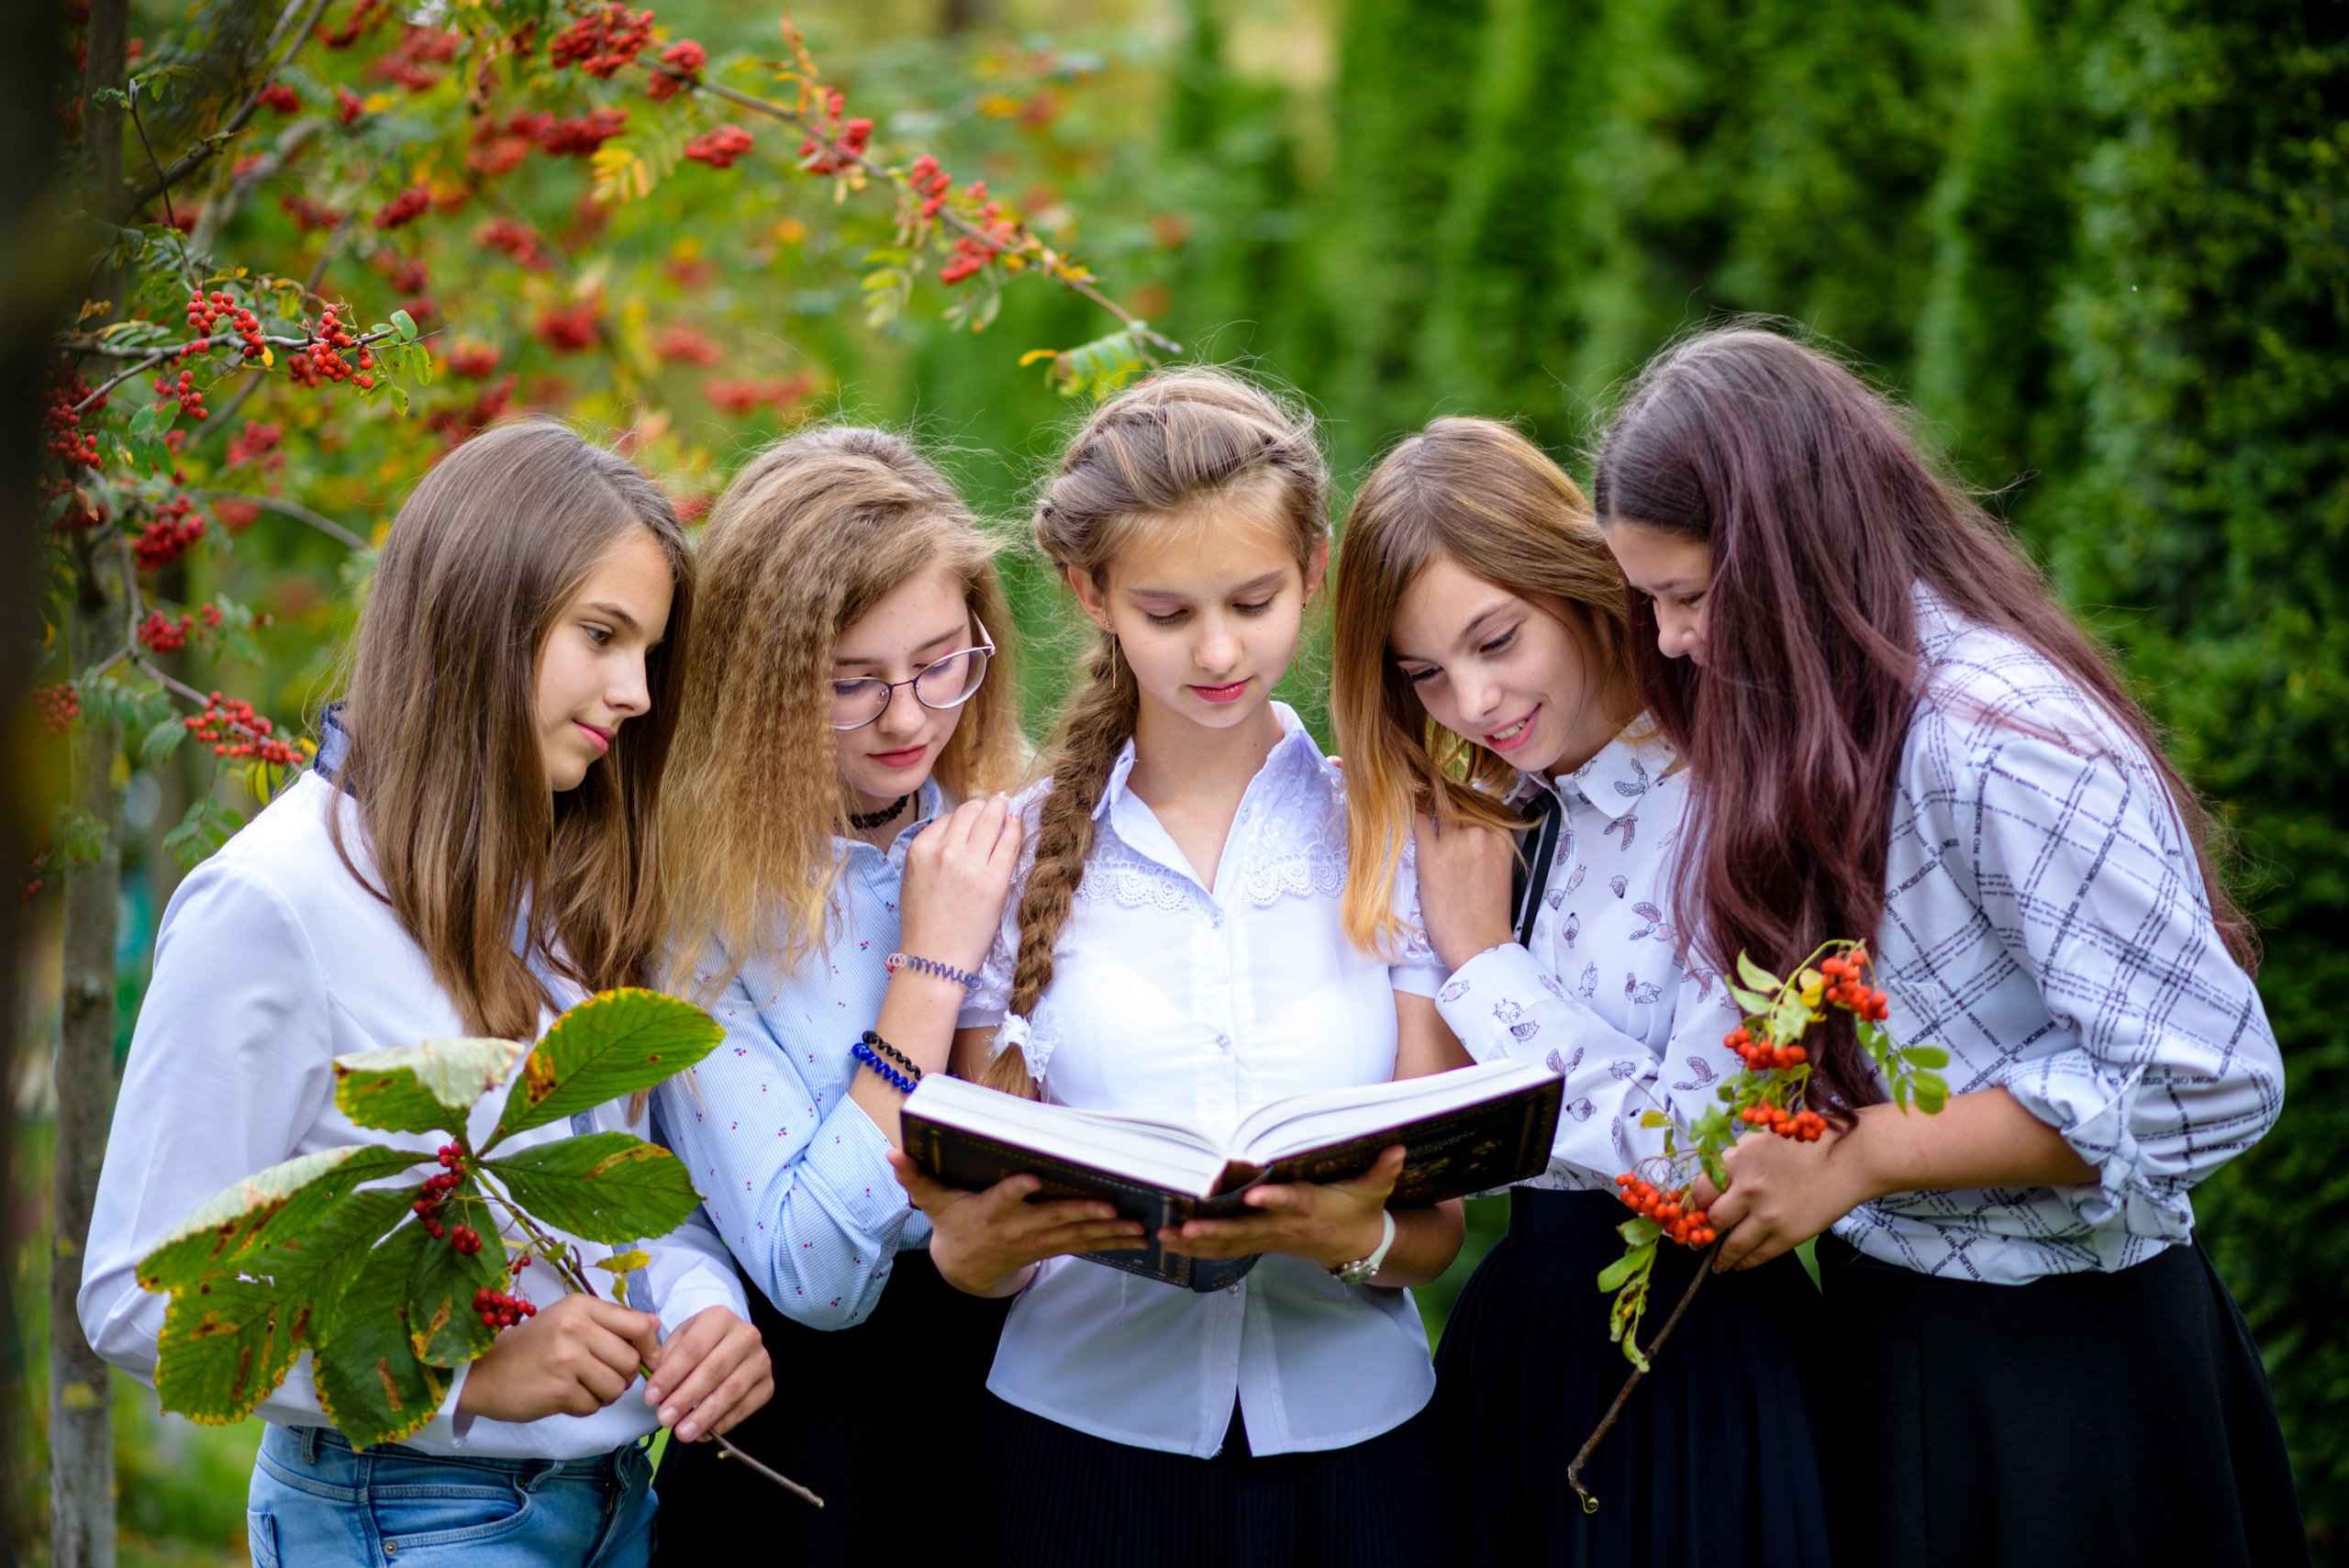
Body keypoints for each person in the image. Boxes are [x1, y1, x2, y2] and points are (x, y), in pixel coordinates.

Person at [1595, 325, 2306, 1568]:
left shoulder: (1993, 736)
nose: (1667, 640)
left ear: (1793, 559)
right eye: (1647, 601)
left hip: (2073, 1381)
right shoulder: (1832, 724)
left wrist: (1869, 1154)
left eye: (1691, 597)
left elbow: (2210, 1074)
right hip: (1893, 1338)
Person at [79, 420, 771, 1568]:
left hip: (616, 1504)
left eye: (648, 650)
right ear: (478, 614)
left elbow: (615, 1206)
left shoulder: (558, 879)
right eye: (601, 635)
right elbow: (135, 1292)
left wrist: (706, 1309)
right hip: (404, 1514)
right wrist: (459, 1370)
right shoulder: (274, 900)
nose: (637, 692)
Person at [889, 369, 1469, 1568]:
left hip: (1363, 1455)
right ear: (1090, 591)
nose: (1217, 650)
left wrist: (1345, 1232)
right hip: (1076, 1456)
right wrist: (978, 1252)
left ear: (1313, 571)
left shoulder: (1394, 829)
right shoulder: (1011, 852)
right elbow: (970, 1232)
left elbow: (1438, 1225)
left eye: (1254, 601)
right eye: (1167, 613)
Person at [1329, 416, 1830, 1564]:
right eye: (1424, 674)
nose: (1473, 698)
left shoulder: (1738, 803)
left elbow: (1703, 1147)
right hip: (1515, 1348)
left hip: (1694, 1349)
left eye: (1496, 639)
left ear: (1580, 579)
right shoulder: (1484, 821)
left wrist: (1482, 964)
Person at [644, 428, 1114, 1561]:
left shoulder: (1017, 833)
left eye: (943, 660)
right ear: (757, 683)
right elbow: (812, 1274)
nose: (907, 719)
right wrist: (930, 966)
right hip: (805, 1470)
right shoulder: (697, 907)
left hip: (1027, 1434)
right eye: (850, 684)